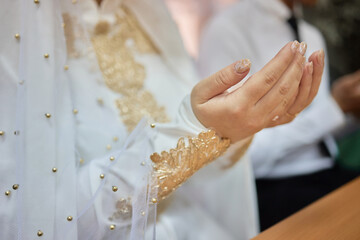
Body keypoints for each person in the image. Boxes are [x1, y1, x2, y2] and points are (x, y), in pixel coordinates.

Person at [0, 0, 323, 239]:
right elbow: (45, 221)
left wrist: (234, 130)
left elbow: (202, 172)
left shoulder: (145, 11)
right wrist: (197, 133)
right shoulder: (18, 24)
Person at [198, 0, 360, 230]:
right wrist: (335, 108)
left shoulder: (311, 34)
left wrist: (349, 110)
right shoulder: (227, 30)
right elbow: (242, 155)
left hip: (327, 171)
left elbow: (318, 133)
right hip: (275, 188)